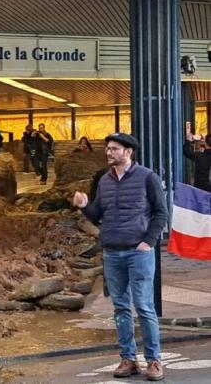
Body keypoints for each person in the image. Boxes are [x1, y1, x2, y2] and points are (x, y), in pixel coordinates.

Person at [72, 133, 168, 381]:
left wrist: (148, 242)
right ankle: (128, 359)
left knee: (145, 307)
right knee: (121, 308)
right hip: (112, 252)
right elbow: (97, 215)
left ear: (128, 152)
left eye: (114, 149)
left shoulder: (147, 178)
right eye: (107, 149)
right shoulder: (104, 180)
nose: (108, 152)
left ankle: (154, 361)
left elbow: (161, 213)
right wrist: (84, 206)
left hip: (139, 252)